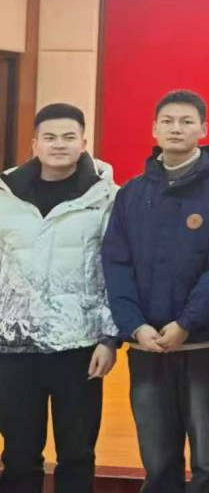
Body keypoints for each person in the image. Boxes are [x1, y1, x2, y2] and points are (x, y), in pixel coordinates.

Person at [102, 89, 209, 492]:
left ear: (204, 129)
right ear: (154, 129)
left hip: (203, 345)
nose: (176, 128)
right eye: (167, 121)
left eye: (186, 121)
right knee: (157, 460)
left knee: (207, 462)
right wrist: (134, 325)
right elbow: (116, 264)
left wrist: (187, 322)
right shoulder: (132, 193)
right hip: (147, 347)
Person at [0, 103, 119, 492]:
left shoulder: (107, 197)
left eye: (69, 137)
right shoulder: (4, 194)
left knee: (77, 454)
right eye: (49, 137)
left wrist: (109, 338)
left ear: (84, 143)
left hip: (79, 345)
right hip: (13, 346)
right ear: (34, 143)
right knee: (18, 455)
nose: (59, 144)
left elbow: (116, 270)